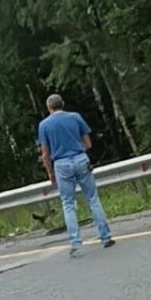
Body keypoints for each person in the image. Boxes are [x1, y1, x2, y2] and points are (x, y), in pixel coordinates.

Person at [38, 94, 114, 257]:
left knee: (68, 203)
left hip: (61, 164)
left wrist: (50, 173)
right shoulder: (75, 117)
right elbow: (88, 143)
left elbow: (45, 154)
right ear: (63, 104)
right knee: (93, 198)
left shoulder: (44, 125)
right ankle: (106, 237)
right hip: (80, 159)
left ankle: (76, 243)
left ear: (49, 108)